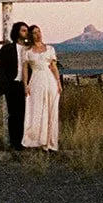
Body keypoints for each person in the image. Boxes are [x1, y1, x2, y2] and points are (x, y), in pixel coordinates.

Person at [21, 24, 61, 152]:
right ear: (31, 36)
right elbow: (25, 69)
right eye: (34, 33)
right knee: (36, 110)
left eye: (39, 32)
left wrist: (58, 82)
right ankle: (36, 141)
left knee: (51, 110)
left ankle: (50, 142)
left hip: (50, 80)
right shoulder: (27, 51)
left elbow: (54, 67)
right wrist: (25, 85)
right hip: (36, 80)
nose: (38, 35)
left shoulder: (49, 49)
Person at [0, 21, 30, 150]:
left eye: (26, 30)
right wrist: (4, 84)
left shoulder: (30, 49)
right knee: (14, 114)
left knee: (27, 113)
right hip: (13, 85)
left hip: (27, 85)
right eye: (23, 30)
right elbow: (0, 68)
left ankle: (27, 141)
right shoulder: (7, 49)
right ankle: (15, 143)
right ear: (17, 32)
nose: (26, 32)